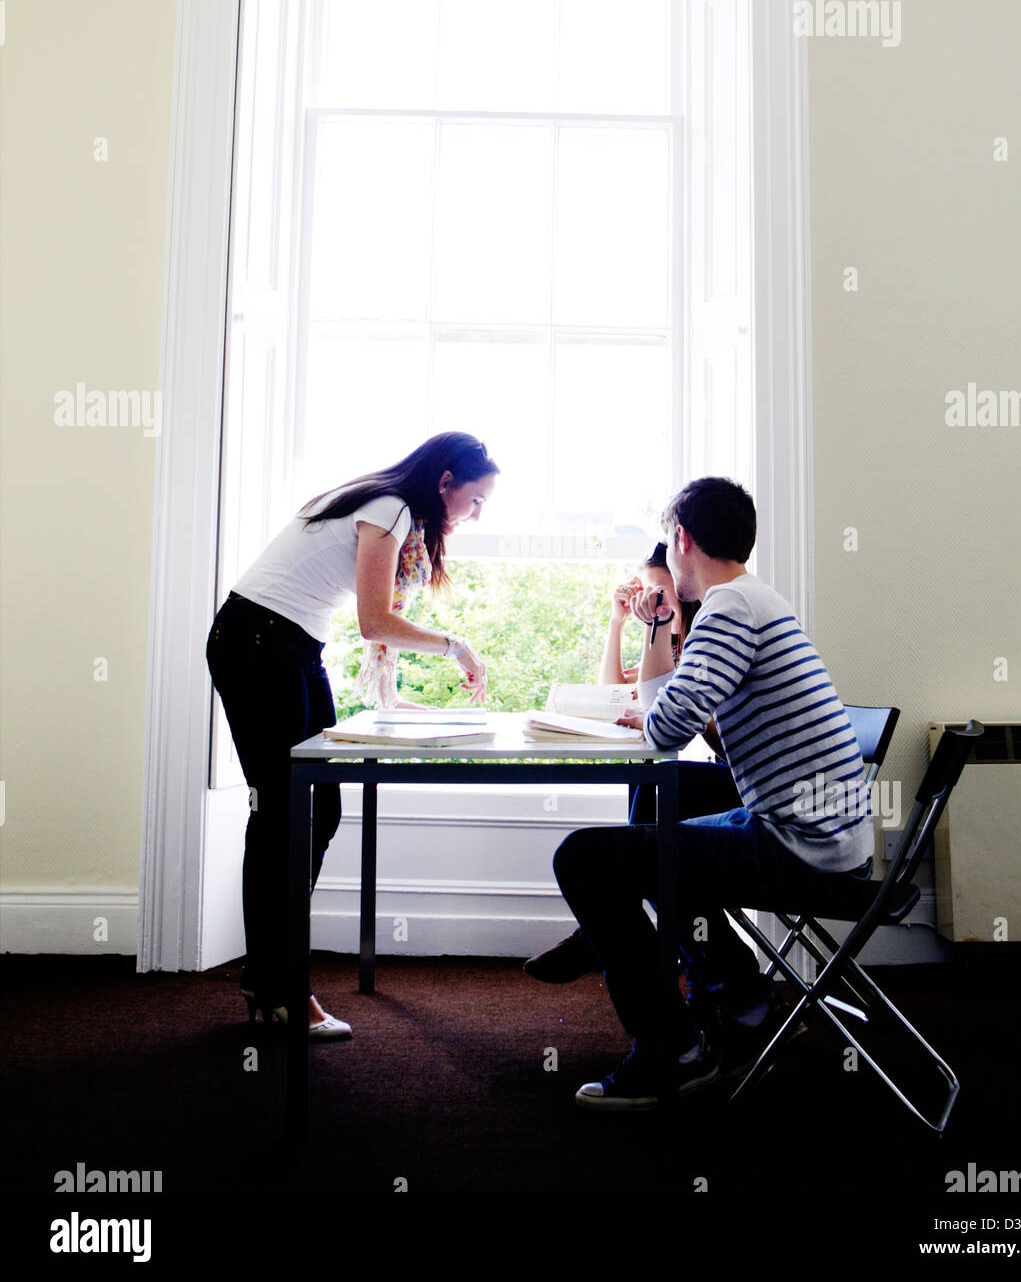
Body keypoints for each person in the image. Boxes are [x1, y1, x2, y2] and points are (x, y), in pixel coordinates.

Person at [550, 477, 873, 1110]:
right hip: (821, 832)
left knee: (583, 858)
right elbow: (680, 720)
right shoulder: (753, 600)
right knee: (658, 804)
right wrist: (661, 646)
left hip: (804, 848)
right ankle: (742, 998)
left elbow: (667, 723)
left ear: (681, 539)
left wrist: (658, 709)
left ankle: (672, 1048)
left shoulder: (729, 607)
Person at [206, 432, 498, 1038]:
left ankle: (271, 977)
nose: (475, 515)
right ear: (445, 481)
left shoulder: (391, 508)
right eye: (474, 501)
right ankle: (281, 985)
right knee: (283, 812)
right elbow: (374, 622)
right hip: (258, 644)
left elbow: (373, 624)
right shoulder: (388, 508)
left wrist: (395, 700)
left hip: (290, 646)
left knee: (320, 806)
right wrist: (456, 646)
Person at [523, 543, 741, 982]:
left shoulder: (707, 637)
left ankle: (601, 936)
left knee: (652, 821)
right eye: (644, 592)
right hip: (717, 783)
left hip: (739, 783)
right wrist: (619, 622)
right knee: (651, 806)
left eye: (659, 592)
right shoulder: (673, 641)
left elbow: (694, 724)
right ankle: (721, 981)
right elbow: (614, 691)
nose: (649, 601)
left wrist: (680, 713)